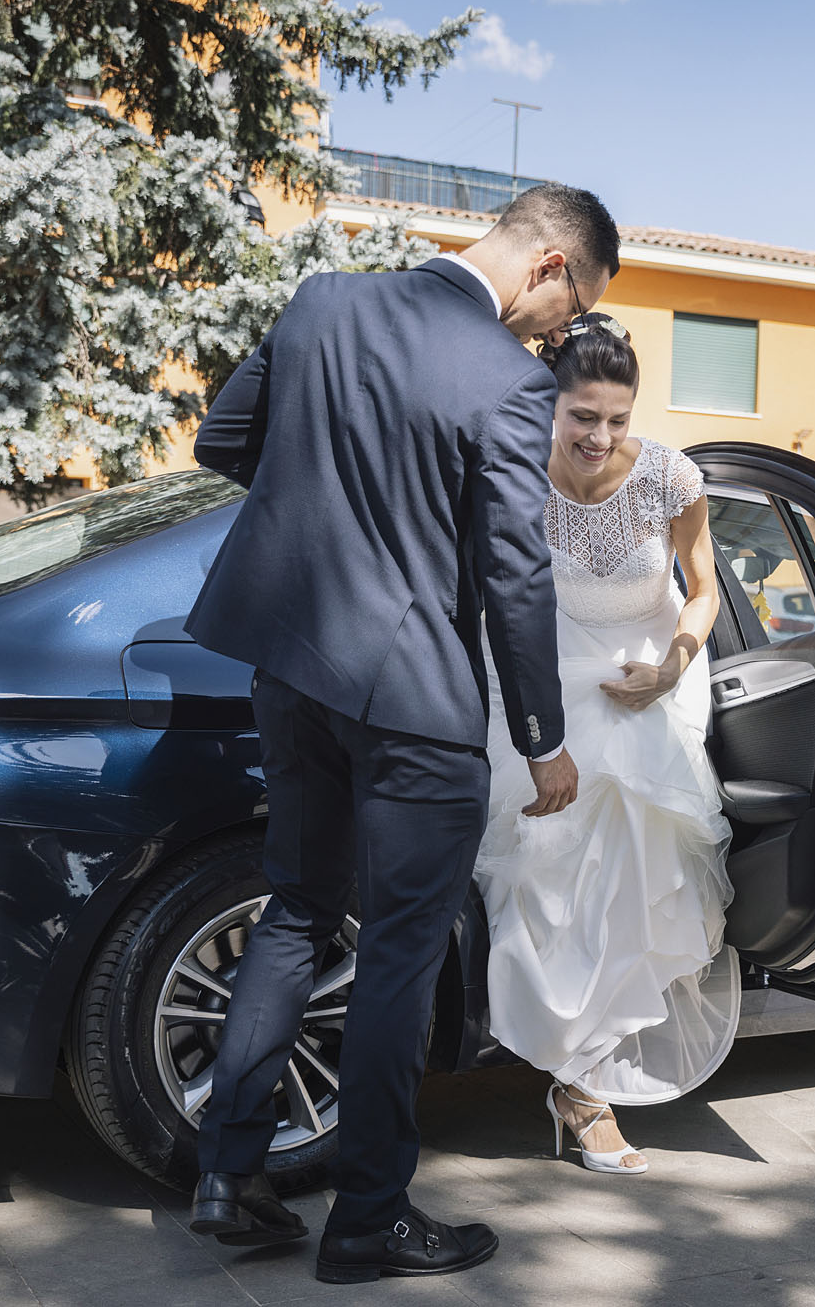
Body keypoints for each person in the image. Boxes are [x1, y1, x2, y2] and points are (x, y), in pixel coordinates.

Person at [180, 184, 620, 1284]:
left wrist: (325, 513)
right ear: (549, 268)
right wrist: (541, 735)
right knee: (397, 953)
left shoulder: (323, 300)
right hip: (413, 703)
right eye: (564, 315)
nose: (553, 338)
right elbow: (513, 573)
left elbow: (222, 437)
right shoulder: (511, 382)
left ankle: (228, 1174)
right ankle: (368, 1218)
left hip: (290, 670)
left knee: (294, 910)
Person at [474, 314, 736, 1176]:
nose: (601, 436)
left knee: (634, 884)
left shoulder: (670, 476)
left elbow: (702, 593)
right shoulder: (514, 472)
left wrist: (671, 667)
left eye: (618, 418)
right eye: (584, 416)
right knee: (545, 886)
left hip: (644, 691)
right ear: (553, 403)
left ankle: (585, 1089)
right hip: (537, 694)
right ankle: (562, 1066)